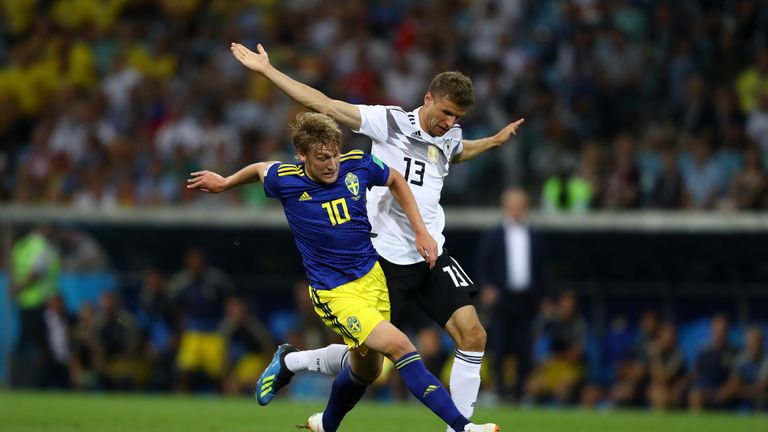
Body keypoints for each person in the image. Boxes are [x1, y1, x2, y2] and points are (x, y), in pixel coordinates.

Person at [230, 42, 523, 430]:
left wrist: (491, 142)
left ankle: (462, 426)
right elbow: (326, 104)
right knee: (369, 362)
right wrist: (268, 71)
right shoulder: (390, 122)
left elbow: (455, 151)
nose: (451, 122)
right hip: (381, 259)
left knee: (473, 334)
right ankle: (294, 362)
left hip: (431, 251)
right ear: (428, 99)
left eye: (458, 117)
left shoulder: (450, 135)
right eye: (446, 112)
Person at [188, 112, 498, 432]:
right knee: (401, 346)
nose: (332, 164)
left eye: (335, 153)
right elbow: (259, 169)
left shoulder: (357, 164)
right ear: (302, 155)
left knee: (366, 372)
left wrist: (420, 230)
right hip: (335, 292)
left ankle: (297, 372)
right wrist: (225, 182)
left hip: (373, 279)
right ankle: (462, 427)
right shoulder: (286, 179)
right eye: (322, 158)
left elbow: (395, 179)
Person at [475, 188, 548, 400]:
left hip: (527, 300)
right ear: (505, 207)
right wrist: (486, 287)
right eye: (512, 205)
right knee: (499, 346)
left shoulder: (534, 235)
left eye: (520, 205)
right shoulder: (493, 235)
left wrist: (544, 296)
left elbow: (542, 269)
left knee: (524, 348)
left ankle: (518, 392)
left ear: (525, 208)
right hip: (502, 299)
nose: (516, 210)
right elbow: (482, 265)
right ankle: (500, 390)